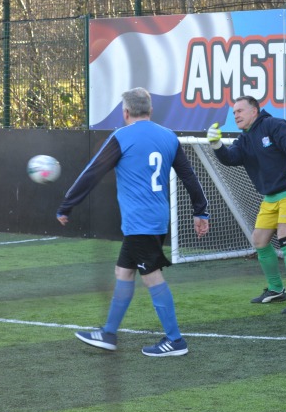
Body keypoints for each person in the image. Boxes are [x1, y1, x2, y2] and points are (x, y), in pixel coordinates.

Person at [57, 87, 209, 357]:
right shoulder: (168, 137)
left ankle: (175, 340)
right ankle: (108, 333)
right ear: (150, 111)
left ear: (125, 112)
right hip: (154, 219)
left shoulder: (121, 137)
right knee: (123, 272)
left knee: (151, 276)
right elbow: (190, 177)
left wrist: (67, 204)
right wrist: (201, 212)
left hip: (141, 222)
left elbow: (92, 172)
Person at [206, 95, 286, 314]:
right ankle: (276, 289)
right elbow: (231, 158)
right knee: (259, 240)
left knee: (285, 235)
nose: (236, 115)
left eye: (240, 111)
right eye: (234, 112)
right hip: (271, 195)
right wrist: (217, 145)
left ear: (254, 111)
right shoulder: (244, 138)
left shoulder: (273, 124)